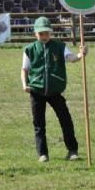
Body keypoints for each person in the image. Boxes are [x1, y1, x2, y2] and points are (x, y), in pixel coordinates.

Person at [21, 16, 86, 162]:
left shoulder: (59, 46)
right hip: (36, 91)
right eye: (41, 33)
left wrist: (80, 55)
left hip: (55, 91)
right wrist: (25, 84)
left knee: (65, 120)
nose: (44, 36)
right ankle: (42, 153)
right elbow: (24, 69)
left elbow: (71, 58)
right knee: (39, 123)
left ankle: (72, 150)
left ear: (51, 33)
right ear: (35, 34)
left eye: (46, 33)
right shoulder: (29, 49)